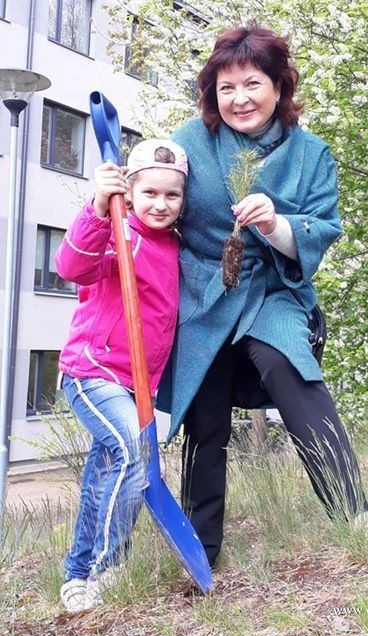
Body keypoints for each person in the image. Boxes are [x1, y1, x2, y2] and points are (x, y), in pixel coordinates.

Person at [157, 26, 368, 568]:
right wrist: (113, 192)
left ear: (279, 86)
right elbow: (152, 200)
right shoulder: (187, 143)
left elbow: (323, 227)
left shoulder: (311, 153)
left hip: (274, 287)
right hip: (203, 292)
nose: (239, 99)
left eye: (252, 84)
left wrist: (277, 224)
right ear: (212, 93)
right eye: (226, 88)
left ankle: (357, 518)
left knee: (288, 365)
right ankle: (200, 552)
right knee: (205, 412)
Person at [55, 139, 188, 612]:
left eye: (172, 195)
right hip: (92, 371)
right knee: (134, 450)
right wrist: (97, 205)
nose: (160, 204)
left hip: (136, 386)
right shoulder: (118, 231)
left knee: (103, 475)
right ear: (129, 192)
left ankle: (77, 573)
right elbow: (71, 265)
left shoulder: (175, 246)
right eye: (149, 192)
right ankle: (106, 567)